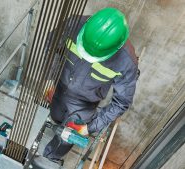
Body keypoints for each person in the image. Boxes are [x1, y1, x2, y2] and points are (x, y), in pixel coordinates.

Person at [43, 7, 139, 163]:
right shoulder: (73, 24)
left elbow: (121, 102)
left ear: (116, 48)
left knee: (67, 138)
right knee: (56, 116)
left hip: (84, 104)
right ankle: (56, 122)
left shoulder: (127, 62)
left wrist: (90, 127)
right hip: (59, 86)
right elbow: (50, 46)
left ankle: (50, 159)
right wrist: (49, 80)